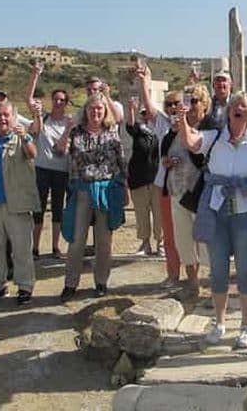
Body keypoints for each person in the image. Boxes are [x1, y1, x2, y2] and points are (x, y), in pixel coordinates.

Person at [178, 91, 247, 349]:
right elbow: (190, 141)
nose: (237, 108)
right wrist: (182, 120)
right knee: (218, 270)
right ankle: (219, 323)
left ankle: (246, 326)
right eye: (234, 104)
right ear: (228, 112)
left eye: (243, 106)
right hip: (216, 211)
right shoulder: (214, 139)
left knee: (245, 270)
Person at [57, 93, 127, 301]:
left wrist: (124, 188)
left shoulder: (112, 133)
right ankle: (70, 284)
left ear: (105, 111)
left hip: (106, 191)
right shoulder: (76, 132)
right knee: (77, 240)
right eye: (92, 108)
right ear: (85, 111)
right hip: (82, 190)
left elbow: (122, 162)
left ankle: (101, 282)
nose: (96, 112)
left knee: (104, 241)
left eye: (100, 108)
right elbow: (59, 151)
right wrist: (67, 130)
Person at [0, 100, 38, 306]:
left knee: (21, 248)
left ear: (14, 116)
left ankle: (25, 286)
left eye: (7, 115)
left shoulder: (22, 138)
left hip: (17, 204)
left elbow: (32, 154)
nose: (3, 118)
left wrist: (25, 137)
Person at [159, 84, 213, 298]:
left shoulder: (210, 128)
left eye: (194, 101)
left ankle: (212, 285)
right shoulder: (172, 132)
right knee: (183, 240)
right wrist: (166, 162)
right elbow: (164, 153)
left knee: (207, 241)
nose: (189, 107)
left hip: (201, 192)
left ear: (204, 104)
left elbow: (199, 153)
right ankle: (192, 282)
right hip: (177, 191)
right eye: (186, 101)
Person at [136, 65, 181, 287]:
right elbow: (148, 106)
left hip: (186, 186)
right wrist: (145, 81)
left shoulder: (192, 123)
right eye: (169, 104)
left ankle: (193, 277)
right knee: (170, 235)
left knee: (189, 235)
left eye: (177, 104)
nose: (173, 107)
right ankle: (173, 275)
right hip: (164, 185)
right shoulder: (162, 122)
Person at [25, 63, 71, 258]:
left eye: (62, 100)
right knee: (39, 209)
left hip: (62, 170)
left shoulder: (70, 122)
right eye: (55, 99)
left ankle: (55, 247)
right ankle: (34, 247)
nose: (58, 102)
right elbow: (28, 99)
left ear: (66, 103)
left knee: (58, 210)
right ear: (51, 101)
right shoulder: (42, 118)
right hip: (42, 169)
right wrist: (35, 75)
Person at [125, 97, 162, 256]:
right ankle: (145, 244)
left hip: (158, 178)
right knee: (141, 213)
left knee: (159, 213)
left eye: (150, 112)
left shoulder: (162, 129)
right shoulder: (139, 130)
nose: (147, 115)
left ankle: (161, 244)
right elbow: (130, 126)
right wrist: (131, 109)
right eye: (144, 113)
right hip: (139, 178)